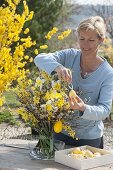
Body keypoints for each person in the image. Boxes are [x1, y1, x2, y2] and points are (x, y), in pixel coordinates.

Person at [34, 16, 113, 149]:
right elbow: (39, 58)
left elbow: (104, 110)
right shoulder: (70, 55)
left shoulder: (108, 73)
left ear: (101, 40)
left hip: (89, 139)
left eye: (91, 40)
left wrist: (83, 108)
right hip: (60, 133)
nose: (85, 45)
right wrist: (58, 67)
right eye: (82, 39)